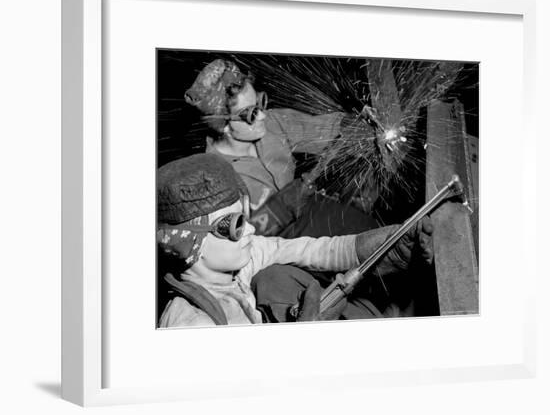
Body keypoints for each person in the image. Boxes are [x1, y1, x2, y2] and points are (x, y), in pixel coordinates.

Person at [157, 153, 434, 327]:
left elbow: (312, 250)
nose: (252, 230)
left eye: (246, 217)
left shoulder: (237, 267)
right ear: (189, 245)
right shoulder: (193, 324)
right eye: (235, 225)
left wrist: (393, 244)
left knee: (275, 279)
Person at [184, 58, 378, 239]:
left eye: (260, 103)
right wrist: (279, 208)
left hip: (306, 222)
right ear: (224, 126)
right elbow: (237, 246)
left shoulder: (272, 124)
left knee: (366, 230)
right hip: (268, 256)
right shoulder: (214, 179)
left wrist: (354, 123)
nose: (262, 116)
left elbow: (318, 129)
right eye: (251, 114)